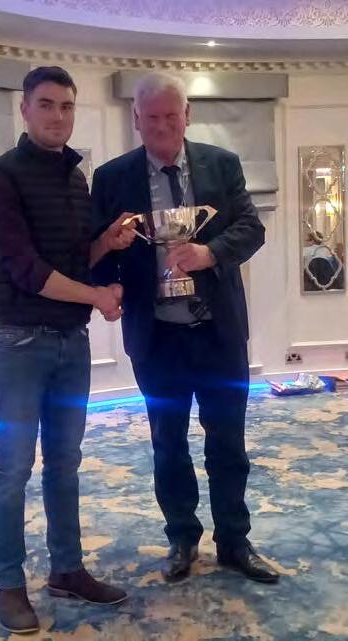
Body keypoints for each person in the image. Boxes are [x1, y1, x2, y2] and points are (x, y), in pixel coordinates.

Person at [91, 72, 279, 585]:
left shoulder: (223, 164)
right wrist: (108, 280)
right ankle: (181, 538)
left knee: (229, 443)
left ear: (187, 115)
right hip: (157, 341)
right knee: (168, 444)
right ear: (136, 119)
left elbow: (251, 228)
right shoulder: (111, 178)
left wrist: (208, 252)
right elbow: (98, 252)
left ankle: (234, 542)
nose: (162, 126)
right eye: (151, 117)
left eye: (171, 116)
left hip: (218, 334)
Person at [0, 66, 134, 635]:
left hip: (71, 341)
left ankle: (66, 569)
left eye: (66, 106)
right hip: (19, 342)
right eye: (46, 104)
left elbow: (70, 261)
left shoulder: (75, 178)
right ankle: (8, 585)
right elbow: (26, 271)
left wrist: (104, 244)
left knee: (65, 464)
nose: (58, 116)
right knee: (13, 470)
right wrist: (97, 295)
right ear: (25, 109)